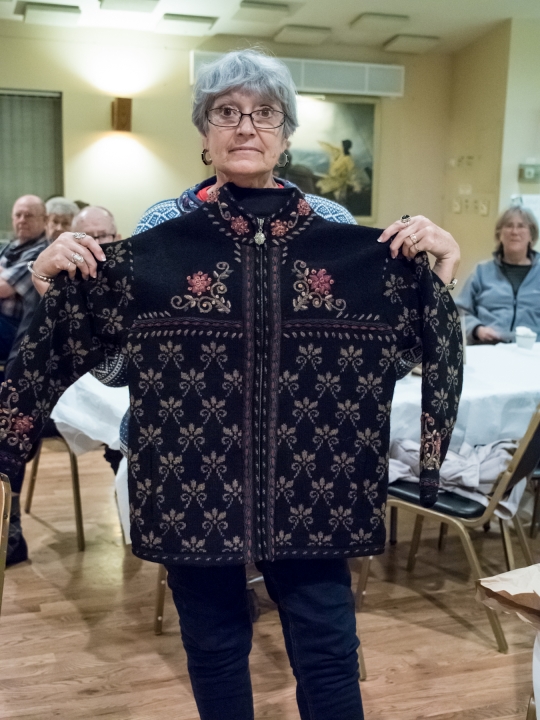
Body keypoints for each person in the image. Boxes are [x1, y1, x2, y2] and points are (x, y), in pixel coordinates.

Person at [10, 50, 462, 720]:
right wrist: (56, 288)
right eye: (226, 112)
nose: (245, 127)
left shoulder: (338, 232)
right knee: (215, 642)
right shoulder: (161, 230)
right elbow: (121, 367)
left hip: (314, 473)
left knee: (327, 641)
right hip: (193, 472)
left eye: (265, 113)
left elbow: (382, 365)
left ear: (285, 131)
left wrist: (435, 284)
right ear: (204, 132)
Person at [5, 203, 123, 566]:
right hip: (52, 400)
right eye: (88, 237)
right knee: (14, 427)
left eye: (104, 237)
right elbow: (26, 360)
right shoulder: (56, 276)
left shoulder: (125, 283)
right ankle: (9, 533)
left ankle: (142, 522)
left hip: (109, 392)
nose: (97, 245)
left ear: (117, 238)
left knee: (127, 435)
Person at [456, 206, 540, 344]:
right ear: (499, 234)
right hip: (487, 348)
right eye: (509, 226)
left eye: (521, 226)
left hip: (533, 352)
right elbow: (458, 312)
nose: (514, 232)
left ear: (531, 234)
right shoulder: (481, 271)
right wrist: (477, 329)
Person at [0, 195, 48, 360]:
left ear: (45, 219)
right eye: (18, 215)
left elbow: (3, 289)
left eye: (28, 215)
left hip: (15, 328)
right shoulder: (10, 247)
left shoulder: (42, 252)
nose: (22, 220)